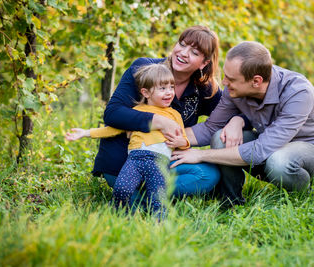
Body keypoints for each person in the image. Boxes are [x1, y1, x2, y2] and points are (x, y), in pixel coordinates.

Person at [171, 41, 314, 206]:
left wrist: (201, 155)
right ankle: (231, 202)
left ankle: (302, 197)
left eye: (230, 79)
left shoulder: (298, 92)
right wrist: (165, 137)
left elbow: (260, 150)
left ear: (256, 81)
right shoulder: (235, 89)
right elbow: (210, 128)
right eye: (225, 75)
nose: (224, 83)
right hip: (270, 147)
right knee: (220, 137)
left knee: (279, 161)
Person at [91, 26, 227, 197]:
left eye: (194, 52)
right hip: (124, 160)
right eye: (182, 44)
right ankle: (145, 197)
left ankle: (151, 194)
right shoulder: (144, 68)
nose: (183, 53)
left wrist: (238, 121)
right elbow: (113, 113)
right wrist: (161, 122)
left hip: (162, 159)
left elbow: (231, 110)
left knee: (208, 175)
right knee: (133, 208)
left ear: (204, 63)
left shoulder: (203, 88)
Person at [67, 64, 190, 217]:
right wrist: (86, 132)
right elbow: (112, 129)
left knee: (158, 197)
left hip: (159, 162)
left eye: (171, 87)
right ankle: (119, 216)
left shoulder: (174, 115)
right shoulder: (136, 111)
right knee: (122, 188)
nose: (169, 92)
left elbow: (183, 138)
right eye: (162, 88)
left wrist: (181, 143)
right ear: (145, 92)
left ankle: (158, 226)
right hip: (135, 160)